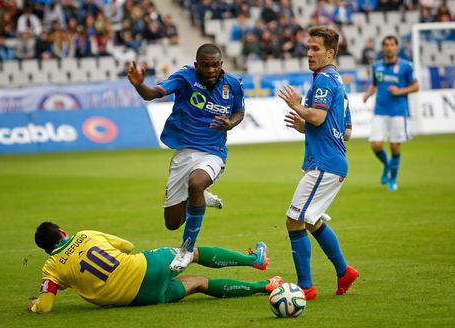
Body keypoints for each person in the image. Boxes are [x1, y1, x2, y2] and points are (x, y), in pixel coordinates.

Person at [127, 44, 246, 272]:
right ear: (196, 65)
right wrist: (140, 85)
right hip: (184, 154)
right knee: (172, 223)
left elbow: (239, 111)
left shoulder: (233, 83)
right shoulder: (185, 77)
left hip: (213, 152)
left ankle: (186, 249)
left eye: (215, 65)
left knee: (197, 182)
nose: (211, 70)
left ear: (221, 65)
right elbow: (154, 94)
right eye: (205, 65)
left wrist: (230, 123)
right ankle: (199, 198)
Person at [28, 222, 279, 313]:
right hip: (145, 268)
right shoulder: (85, 234)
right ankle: (254, 260)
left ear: (47, 249)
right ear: (62, 232)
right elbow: (127, 245)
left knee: (199, 283)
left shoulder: (51, 268)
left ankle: (265, 286)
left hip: (138, 298)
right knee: (192, 252)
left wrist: (35, 306)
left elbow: (47, 305)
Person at [277, 26, 359, 300]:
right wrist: (306, 126)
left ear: (330, 53)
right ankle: (344, 271)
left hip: (324, 164)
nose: (309, 53)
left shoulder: (324, 80)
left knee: (293, 220)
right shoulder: (337, 81)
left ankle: (306, 287)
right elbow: (345, 131)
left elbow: (318, 117)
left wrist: (297, 106)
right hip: (332, 162)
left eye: (315, 49)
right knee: (310, 221)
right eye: (308, 47)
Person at [363, 35, 419, 191]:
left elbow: (416, 87)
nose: (389, 47)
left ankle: (393, 180)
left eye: (392, 44)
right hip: (380, 111)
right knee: (375, 145)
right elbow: (375, 84)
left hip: (398, 112)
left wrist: (400, 91)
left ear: (397, 47)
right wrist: (368, 94)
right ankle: (387, 165)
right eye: (386, 45)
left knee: (395, 147)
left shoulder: (406, 66)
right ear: (383, 47)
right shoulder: (377, 66)